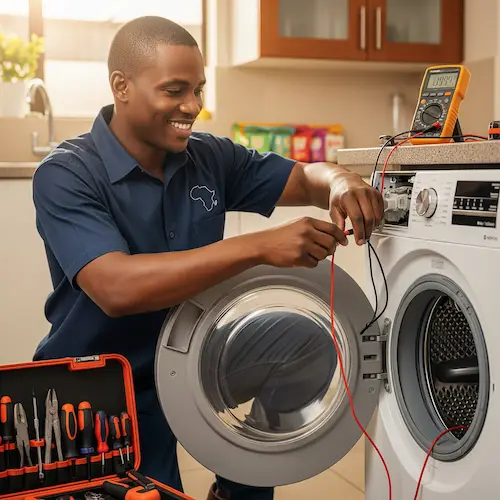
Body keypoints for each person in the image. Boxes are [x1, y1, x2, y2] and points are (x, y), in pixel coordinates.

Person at [31, 16, 383, 500]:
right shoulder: (65, 173)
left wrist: (341, 182)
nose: (193, 106)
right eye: (175, 90)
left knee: (306, 341)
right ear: (122, 86)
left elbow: (305, 178)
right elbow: (116, 287)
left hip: (196, 358)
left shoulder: (209, 157)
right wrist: (259, 246)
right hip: (98, 389)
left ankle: (240, 492)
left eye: (197, 89)